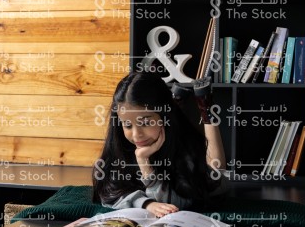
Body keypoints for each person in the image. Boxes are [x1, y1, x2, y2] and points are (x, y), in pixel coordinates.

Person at [92, 72, 228, 217]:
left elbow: (171, 204)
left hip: (209, 178)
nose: (137, 134)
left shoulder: (183, 145)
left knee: (217, 175)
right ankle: (176, 101)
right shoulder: (120, 145)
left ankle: (205, 108)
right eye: (127, 125)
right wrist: (146, 203)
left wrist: (145, 165)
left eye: (145, 123)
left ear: (164, 117)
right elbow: (109, 193)